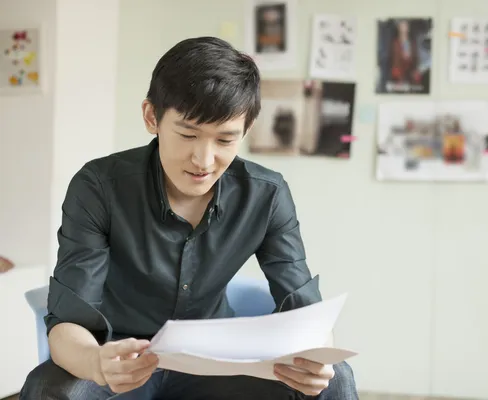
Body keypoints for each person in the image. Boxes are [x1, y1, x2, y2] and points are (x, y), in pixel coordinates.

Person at [20, 36, 358, 400]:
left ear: (246, 130)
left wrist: (318, 362)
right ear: (152, 117)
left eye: (225, 140)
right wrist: (96, 361)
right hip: (120, 356)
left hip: (215, 364)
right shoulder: (99, 186)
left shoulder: (266, 194)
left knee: (335, 377)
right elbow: (68, 321)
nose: (204, 160)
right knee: (48, 388)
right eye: (188, 134)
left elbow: (305, 311)